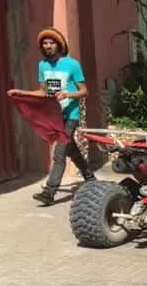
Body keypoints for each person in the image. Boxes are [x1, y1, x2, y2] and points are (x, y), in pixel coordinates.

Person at [8, 28, 95, 205]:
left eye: (52, 43)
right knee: (70, 148)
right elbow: (43, 92)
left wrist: (67, 95)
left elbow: (84, 91)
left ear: (59, 45)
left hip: (70, 115)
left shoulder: (72, 64)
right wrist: (21, 92)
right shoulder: (43, 66)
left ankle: (49, 192)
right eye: (45, 44)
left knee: (59, 152)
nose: (48, 46)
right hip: (54, 117)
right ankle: (90, 178)